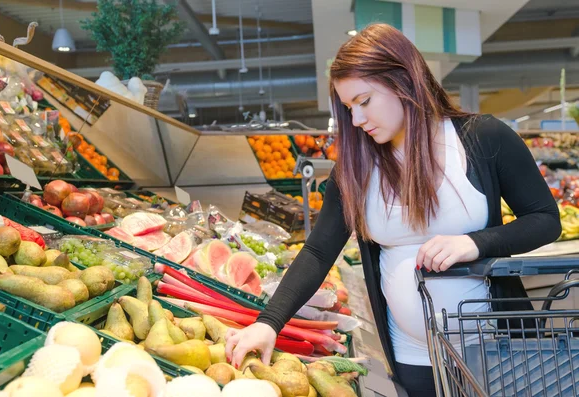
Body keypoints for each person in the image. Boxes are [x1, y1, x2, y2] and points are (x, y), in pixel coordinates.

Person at [225, 23, 561, 397]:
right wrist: (268, 323)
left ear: (404, 80)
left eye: (364, 101)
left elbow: (545, 221)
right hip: (411, 355)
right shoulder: (355, 169)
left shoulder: (482, 138)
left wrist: (475, 243)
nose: (356, 120)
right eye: (349, 107)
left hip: (495, 348)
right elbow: (318, 252)